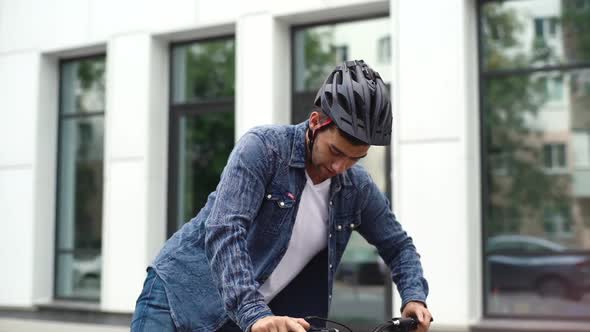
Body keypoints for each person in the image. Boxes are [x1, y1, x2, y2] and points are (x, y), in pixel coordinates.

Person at [131, 60, 432, 332]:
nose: (340, 167)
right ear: (316, 123)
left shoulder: (357, 188)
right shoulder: (265, 149)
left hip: (248, 318)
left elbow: (398, 245)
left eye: (355, 158)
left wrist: (414, 297)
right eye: (336, 151)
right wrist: (253, 313)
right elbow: (225, 230)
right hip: (179, 298)